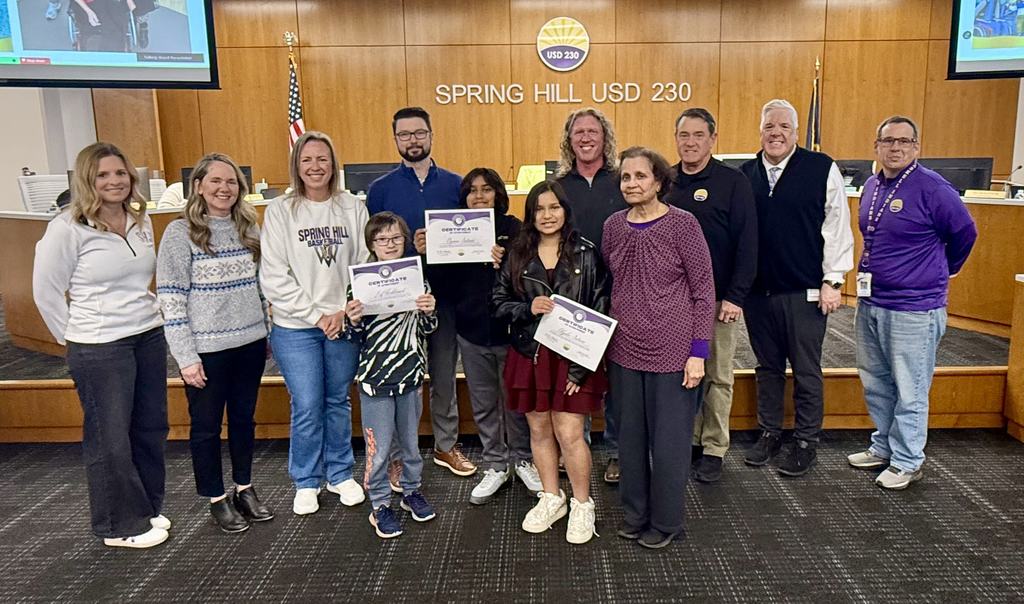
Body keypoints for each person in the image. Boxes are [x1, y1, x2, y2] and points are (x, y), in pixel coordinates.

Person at [32, 142, 170, 549]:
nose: (114, 181)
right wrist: (74, 339)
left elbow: (142, 280)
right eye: (103, 175)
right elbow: (45, 292)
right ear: (86, 181)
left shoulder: (139, 219)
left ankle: (145, 507)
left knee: (149, 428)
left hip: (146, 335)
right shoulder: (67, 227)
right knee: (109, 436)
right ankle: (118, 524)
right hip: (99, 346)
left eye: (120, 173)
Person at [847, 116, 977, 490]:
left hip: (915, 307)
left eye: (904, 141)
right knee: (876, 381)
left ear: (916, 147)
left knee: (911, 386)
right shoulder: (872, 185)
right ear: (877, 146)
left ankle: (907, 460)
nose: (896, 148)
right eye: (888, 141)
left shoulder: (933, 188)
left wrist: (943, 269)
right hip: (872, 301)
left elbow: (966, 231)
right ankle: (884, 446)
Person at [603, 147, 715, 549]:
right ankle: (634, 515)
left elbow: (704, 292)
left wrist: (698, 352)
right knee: (630, 442)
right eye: (626, 177)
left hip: (673, 352)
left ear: (659, 182)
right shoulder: (614, 226)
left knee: (669, 445)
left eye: (640, 176)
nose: (632, 184)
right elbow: (610, 281)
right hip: (623, 351)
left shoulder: (683, 226)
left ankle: (666, 523)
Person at [156, 153, 274, 533]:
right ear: (199, 187)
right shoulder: (180, 233)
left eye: (232, 182)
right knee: (206, 426)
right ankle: (216, 497)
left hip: (250, 342)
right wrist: (185, 357)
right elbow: (171, 298)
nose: (224, 189)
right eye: (216, 181)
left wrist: (266, 331)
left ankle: (244, 487)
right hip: (205, 351)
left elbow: (259, 287)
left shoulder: (248, 226)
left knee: (243, 420)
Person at [739, 99, 854, 477]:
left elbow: (837, 226)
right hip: (759, 295)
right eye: (769, 126)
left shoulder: (820, 168)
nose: (776, 133)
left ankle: (806, 440)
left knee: (807, 370)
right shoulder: (745, 175)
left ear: (796, 132)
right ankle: (770, 432)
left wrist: (833, 280)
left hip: (805, 292)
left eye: (784, 127)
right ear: (760, 131)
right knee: (767, 368)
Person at [492, 180, 609, 545]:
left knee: (570, 433)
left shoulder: (586, 253)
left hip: (572, 359)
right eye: (539, 209)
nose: (547, 215)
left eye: (554, 207)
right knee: (539, 431)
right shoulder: (517, 253)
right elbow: (497, 302)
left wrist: (581, 368)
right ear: (531, 214)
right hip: (529, 354)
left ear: (564, 210)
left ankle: (582, 503)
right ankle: (551, 497)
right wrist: (527, 307)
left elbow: (601, 309)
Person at [260, 131, 369, 515]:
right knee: (307, 402)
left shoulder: (353, 207)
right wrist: (316, 316)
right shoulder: (279, 211)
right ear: (297, 166)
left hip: (343, 321)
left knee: (337, 399)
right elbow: (273, 275)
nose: (315, 167)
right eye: (307, 160)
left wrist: (342, 310)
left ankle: (340, 474)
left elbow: (364, 262)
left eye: (323, 159)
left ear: (333, 164)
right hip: (296, 327)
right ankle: (306, 480)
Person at [367, 106, 476, 481]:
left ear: (431, 135)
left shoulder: (455, 184)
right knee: (402, 381)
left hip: (444, 296)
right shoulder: (380, 190)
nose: (413, 140)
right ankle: (399, 454)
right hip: (395, 306)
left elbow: (470, 242)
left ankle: (446, 445)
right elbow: (373, 244)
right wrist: (412, 249)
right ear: (395, 139)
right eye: (405, 134)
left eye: (419, 133)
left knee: (444, 375)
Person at [664, 108, 757, 484]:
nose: (690, 142)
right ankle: (687, 439)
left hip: (719, 301)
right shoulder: (665, 181)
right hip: (673, 303)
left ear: (712, 139)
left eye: (698, 135)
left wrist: (736, 295)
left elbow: (748, 243)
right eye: (684, 135)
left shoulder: (732, 182)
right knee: (681, 375)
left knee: (717, 375)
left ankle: (714, 446)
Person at [450, 168, 542, 504]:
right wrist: (430, 249)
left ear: (497, 194)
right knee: (485, 402)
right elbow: (445, 282)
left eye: (486, 189)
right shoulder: (451, 229)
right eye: (472, 190)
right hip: (471, 332)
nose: (479, 196)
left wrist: (506, 261)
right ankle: (495, 464)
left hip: (510, 333)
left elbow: (529, 275)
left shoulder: (513, 228)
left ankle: (522, 458)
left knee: (516, 401)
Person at [346, 212, 438, 539]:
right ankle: (380, 505)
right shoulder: (358, 284)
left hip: (411, 374)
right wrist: (353, 320)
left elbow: (428, 329)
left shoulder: (417, 279)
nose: (389, 244)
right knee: (380, 448)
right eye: (382, 239)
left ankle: (411, 491)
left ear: (405, 240)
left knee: (411, 444)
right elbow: (353, 337)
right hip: (375, 379)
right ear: (371, 244)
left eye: (396, 238)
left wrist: (429, 312)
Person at [554, 106, 628, 483]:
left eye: (592, 132)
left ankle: (617, 451)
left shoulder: (621, 181)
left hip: (619, 293)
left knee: (616, 378)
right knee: (574, 375)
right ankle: (573, 448)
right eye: (578, 132)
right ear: (569, 140)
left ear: (604, 138)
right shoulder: (559, 186)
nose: (585, 138)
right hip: (572, 296)